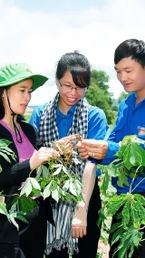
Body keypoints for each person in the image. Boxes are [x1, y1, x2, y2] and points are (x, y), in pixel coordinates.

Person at [77, 39, 145, 258]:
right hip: (123, 200)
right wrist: (96, 150)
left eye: (128, 70)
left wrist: (110, 150)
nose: (122, 78)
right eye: (118, 71)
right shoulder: (126, 104)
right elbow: (114, 142)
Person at [0, 63, 59, 258]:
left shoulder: (28, 130)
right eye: (22, 90)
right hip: (7, 230)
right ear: (3, 93)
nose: (28, 97)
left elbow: (39, 174)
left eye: (29, 91)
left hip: (35, 226)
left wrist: (56, 154)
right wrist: (31, 163)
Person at [29, 51, 109, 257]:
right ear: (57, 82)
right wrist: (55, 150)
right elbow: (32, 157)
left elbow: (91, 164)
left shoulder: (94, 116)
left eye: (80, 87)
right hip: (49, 198)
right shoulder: (41, 114)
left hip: (86, 194)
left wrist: (81, 208)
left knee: (86, 252)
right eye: (67, 85)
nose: (73, 93)